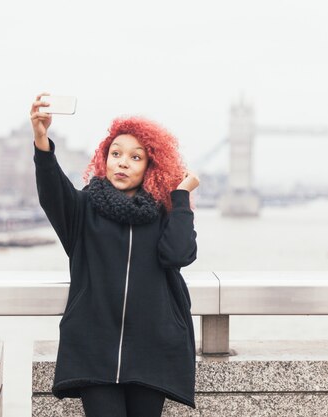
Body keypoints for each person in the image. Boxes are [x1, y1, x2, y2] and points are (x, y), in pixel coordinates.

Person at [30, 92, 200, 417]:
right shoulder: (83, 209)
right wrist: (41, 140)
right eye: (115, 153)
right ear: (103, 159)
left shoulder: (163, 214)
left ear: (152, 166)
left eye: (136, 157)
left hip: (153, 348)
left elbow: (179, 253)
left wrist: (179, 198)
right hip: (94, 348)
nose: (122, 162)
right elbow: (52, 189)